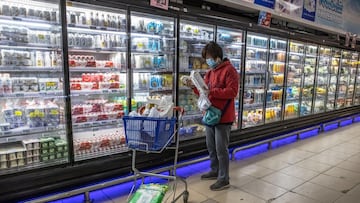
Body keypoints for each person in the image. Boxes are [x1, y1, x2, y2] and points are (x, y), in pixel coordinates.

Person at [184, 41, 239, 191]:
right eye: (205, 58)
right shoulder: (210, 73)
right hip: (210, 115)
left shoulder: (230, 71)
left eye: (209, 57)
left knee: (221, 149)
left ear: (217, 57)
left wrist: (212, 92)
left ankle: (224, 178)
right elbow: (204, 92)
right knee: (211, 147)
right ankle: (215, 171)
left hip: (223, 116)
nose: (207, 61)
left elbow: (232, 92)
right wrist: (194, 87)